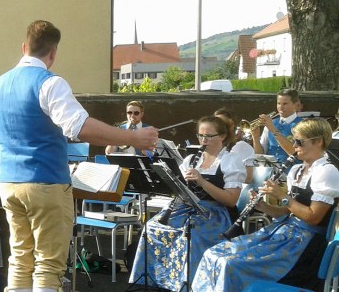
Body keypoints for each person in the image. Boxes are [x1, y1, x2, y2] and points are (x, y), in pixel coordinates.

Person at [0, 20, 157, 292]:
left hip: (9, 183)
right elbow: (79, 128)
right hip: (46, 182)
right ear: (53, 53)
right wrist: (132, 137)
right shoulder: (50, 83)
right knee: (48, 264)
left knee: (20, 259)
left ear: (24, 47)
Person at [193, 118, 339, 292]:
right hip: (286, 234)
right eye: (294, 141)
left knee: (229, 264)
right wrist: (263, 207)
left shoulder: (327, 172)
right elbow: (287, 212)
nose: (294, 146)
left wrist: (283, 196)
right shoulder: (297, 170)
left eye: (299, 142)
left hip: (304, 245)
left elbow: (313, 218)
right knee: (213, 254)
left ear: (318, 142)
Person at [129, 116, 246, 291]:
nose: (203, 140)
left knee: (192, 235)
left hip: (217, 213)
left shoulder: (231, 160)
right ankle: (160, 282)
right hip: (188, 207)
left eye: (208, 136)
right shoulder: (191, 159)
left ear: (222, 136)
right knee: (152, 227)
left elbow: (231, 200)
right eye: (200, 136)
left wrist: (202, 182)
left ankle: (191, 285)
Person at [251, 88, 303, 162]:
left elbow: (296, 153)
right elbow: (260, 155)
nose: (280, 108)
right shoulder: (271, 124)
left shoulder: (302, 125)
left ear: (295, 105)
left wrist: (273, 129)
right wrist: (255, 138)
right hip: (271, 170)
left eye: (285, 104)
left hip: (292, 170)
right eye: (278, 103)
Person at [215, 107, 256, 183]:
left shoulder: (241, 146)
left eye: (221, 122)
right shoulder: (211, 145)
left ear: (231, 125)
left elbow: (248, 178)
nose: (217, 126)